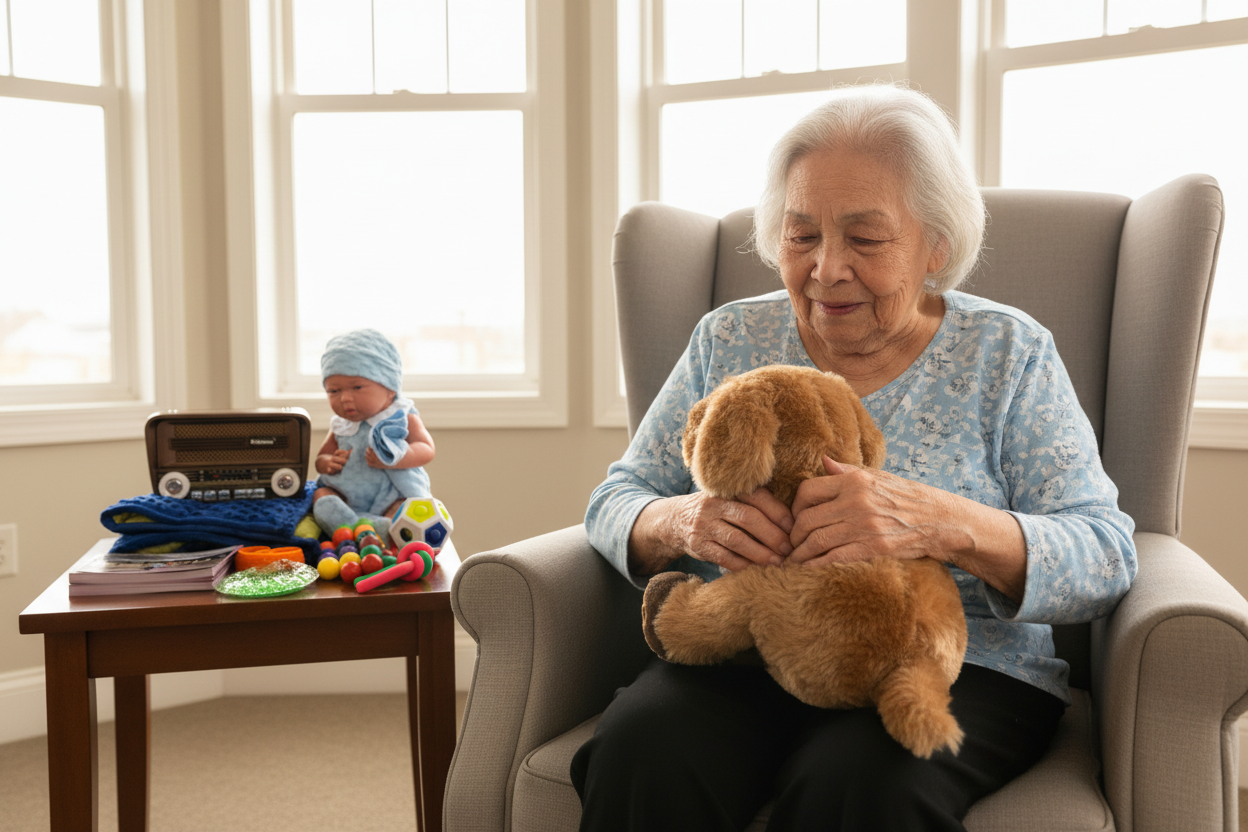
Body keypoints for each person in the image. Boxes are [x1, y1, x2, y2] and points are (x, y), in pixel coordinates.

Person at [572, 83, 1137, 831]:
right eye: (801, 235)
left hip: (949, 666)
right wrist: (680, 522)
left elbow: (1105, 551)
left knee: (861, 784)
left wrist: (945, 524)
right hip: (750, 644)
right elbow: (618, 498)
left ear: (937, 245)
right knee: (641, 749)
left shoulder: (1007, 353)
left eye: (865, 239)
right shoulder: (729, 338)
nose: (826, 268)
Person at [312, 328, 436, 542]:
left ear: (390, 390)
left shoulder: (399, 415)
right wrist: (327, 463)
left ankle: (383, 528)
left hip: (390, 496)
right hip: (346, 497)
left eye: (357, 387)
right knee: (320, 496)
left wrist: (397, 459)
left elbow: (426, 449)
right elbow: (320, 459)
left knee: (405, 507)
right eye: (334, 391)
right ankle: (349, 529)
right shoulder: (341, 425)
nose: (345, 398)